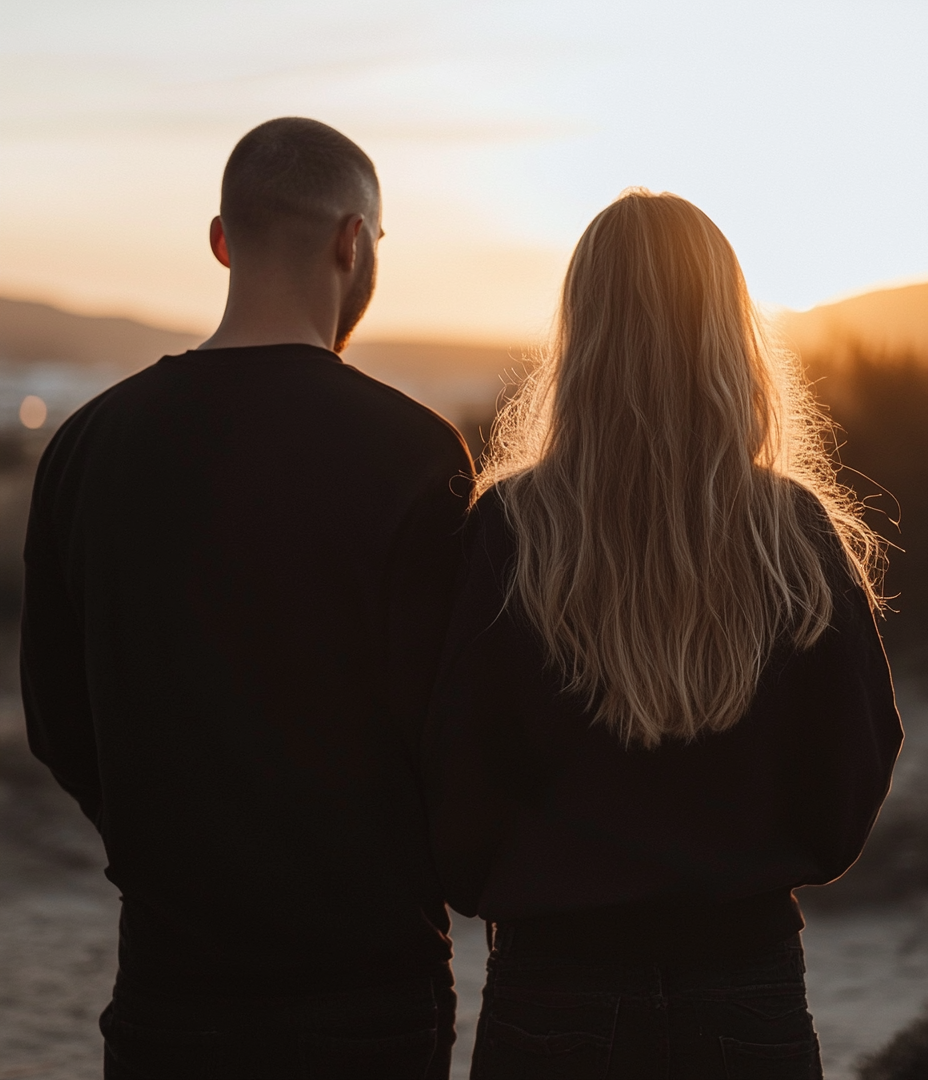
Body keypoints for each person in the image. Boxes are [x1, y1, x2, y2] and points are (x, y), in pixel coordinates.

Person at [20, 117, 473, 1079]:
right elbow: (452, 726)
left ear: (222, 240)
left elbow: (58, 720)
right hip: (369, 986)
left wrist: (164, 841)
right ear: (354, 242)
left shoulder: (89, 447)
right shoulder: (416, 454)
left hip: (169, 986)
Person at [424, 188, 901, 1078]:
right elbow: (855, 766)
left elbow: (457, 765)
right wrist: (751, 861)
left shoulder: (513, 528)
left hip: (552, 986)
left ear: (582, 333)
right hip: (746, 983)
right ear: (729, 329)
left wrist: (533, 879)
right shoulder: (790, 529)